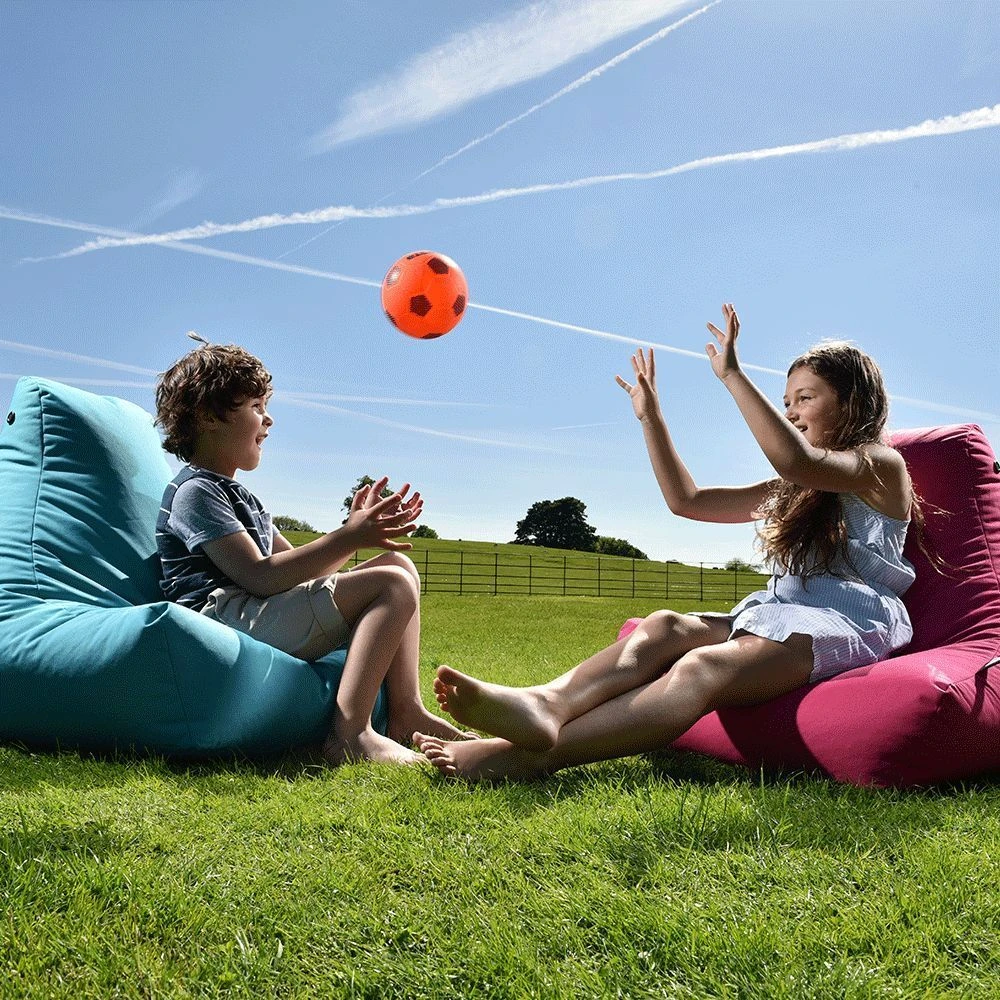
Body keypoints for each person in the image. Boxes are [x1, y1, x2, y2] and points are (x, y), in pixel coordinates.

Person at [416, 303, 919, 780]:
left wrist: (732, 376)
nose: (790, 413)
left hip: (848, 621)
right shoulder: (796, 488)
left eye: (804, 398)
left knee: (701, 666)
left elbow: (795, 460)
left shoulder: (880, 465)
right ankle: (547, 703)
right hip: (781, 613)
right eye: (786, 401)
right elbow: (688, 501)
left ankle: (522, 759)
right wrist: (650, 418)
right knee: (663, 626)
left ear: (853, 402)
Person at [154, 338, 470, 766]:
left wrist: (352, 532)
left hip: (253, 611)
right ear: (208, 417)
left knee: (400, 565)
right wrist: (348, 538)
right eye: (256, 407)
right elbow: (260, 576)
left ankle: (406, 712)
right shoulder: (196, 492)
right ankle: (350, 735)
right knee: (392, 584)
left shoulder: (240, 496)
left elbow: (299, 574)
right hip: (219, 621)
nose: (269, 419)